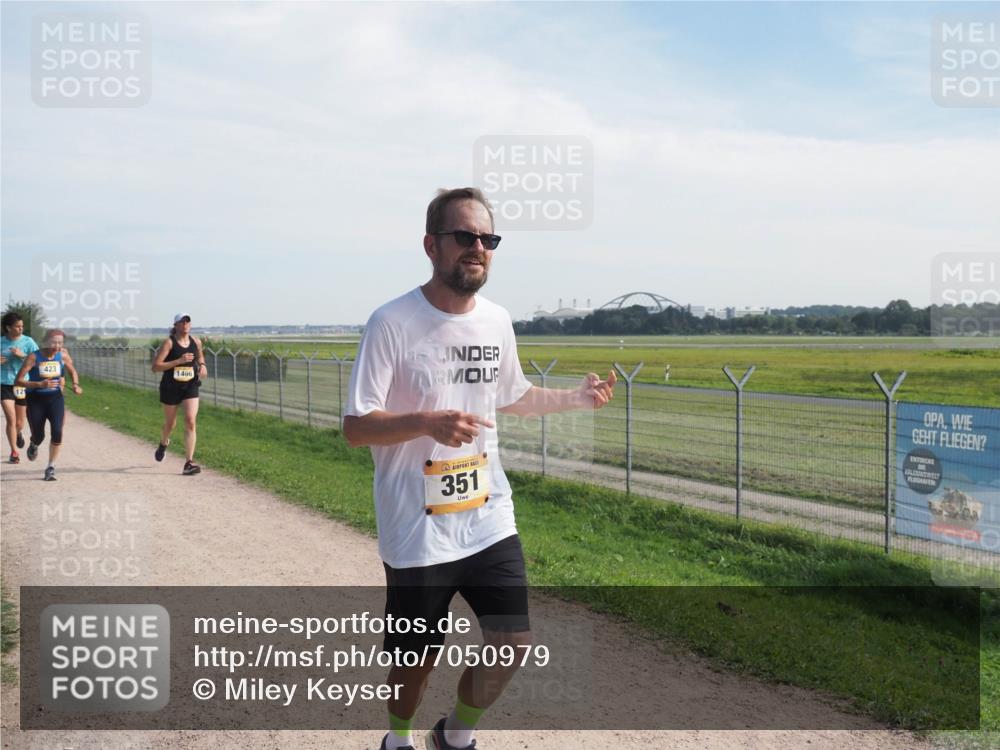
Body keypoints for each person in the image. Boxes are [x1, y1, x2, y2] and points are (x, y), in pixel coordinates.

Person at [343, 188, 617, 750]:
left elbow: (511, 395)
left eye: (487, 239)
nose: (478, 248)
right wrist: (426, 422)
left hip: (487, 513)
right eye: (464, 236)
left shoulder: (496, 321)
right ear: (431, 245)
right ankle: (398, 739)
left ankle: (456, 736)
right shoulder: (391, 322)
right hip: (417, 527)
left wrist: (574, 400)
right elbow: (356, 426)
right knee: (416, 660)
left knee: (512, 641)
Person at [14, 329, 83, 481]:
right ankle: (34, 443)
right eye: (53, 342)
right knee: (39, 435)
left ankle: (51, 467)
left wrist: (76, 384)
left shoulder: (63, 355)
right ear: (45, 341)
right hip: (35, 400)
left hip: (55, 399)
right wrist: (39, 384)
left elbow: (72, 371)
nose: (56, 345)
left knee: (57, 431)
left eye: (60, 343)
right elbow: (18, 381)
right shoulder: (34, 357)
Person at [151, 314, 207, 476]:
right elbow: (155, 367)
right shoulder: (169, 343)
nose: (185, 324)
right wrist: (178, 361)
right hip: (170, 387)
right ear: (175, 325)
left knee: (190, 421)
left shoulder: (196, 342)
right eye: (182, 322)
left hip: (190, 386)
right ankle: (163, 443)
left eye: (187, 321)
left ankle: (189, 462)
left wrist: (202, 365)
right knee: (171, 424)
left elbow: (200, 356)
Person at [1, 312, 40, 464]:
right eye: (17, 326)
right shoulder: (1, 342)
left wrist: (22, 355)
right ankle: (14, 452)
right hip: (4, 384)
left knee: (19, 423)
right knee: (10, 419)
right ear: (8, 327)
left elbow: (38, 361)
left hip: (22, 384)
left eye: (22, 326)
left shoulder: (28, 341)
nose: (20, 329)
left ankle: (18, 433)